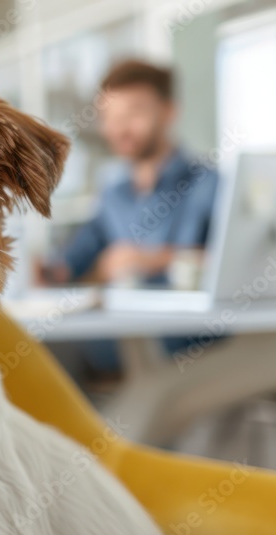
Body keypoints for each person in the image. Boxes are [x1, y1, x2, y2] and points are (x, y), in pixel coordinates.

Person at [44, 60, 220, 376]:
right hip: (123, 336)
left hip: (191, 343)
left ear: (168, 112)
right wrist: (50, 271)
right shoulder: (113, 195)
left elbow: (230, 263)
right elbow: (73, 258)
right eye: (110, 117)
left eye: (134, 114)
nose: (120, 128)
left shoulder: (208, 183)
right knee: (40, 349)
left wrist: (152, 259)